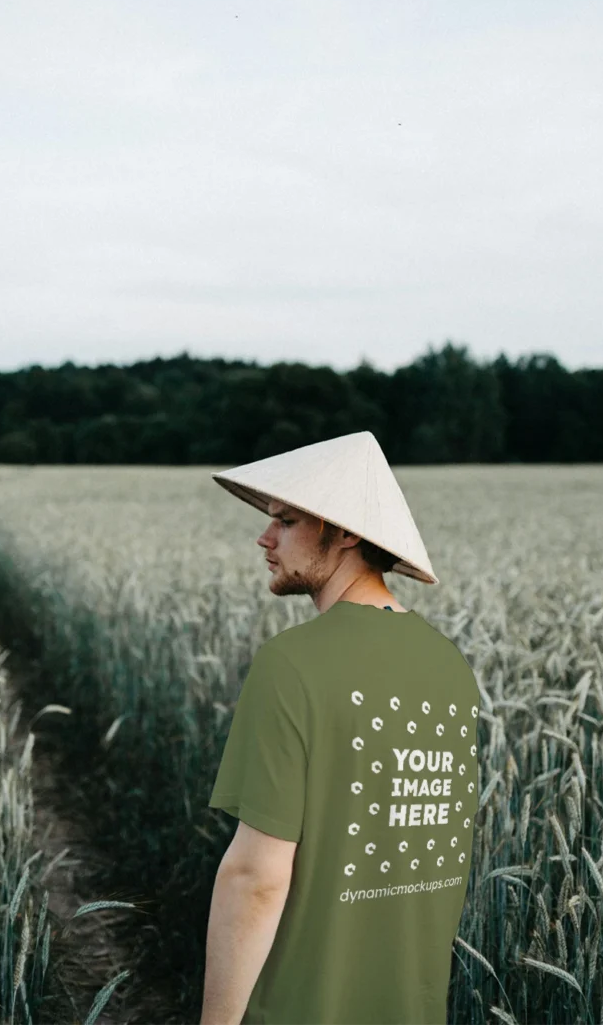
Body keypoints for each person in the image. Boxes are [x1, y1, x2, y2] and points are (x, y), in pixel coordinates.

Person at [202, 430, 480, 1025]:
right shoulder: (451, 668)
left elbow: (256, 877)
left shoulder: (293, 663)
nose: (264, 536)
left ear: (347, 531)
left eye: (286, 520)